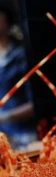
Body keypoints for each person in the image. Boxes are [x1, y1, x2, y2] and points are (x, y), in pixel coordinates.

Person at [0, 2, 36, 150]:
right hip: (3, 137)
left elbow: (36, 104)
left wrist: (5, 117)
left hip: (25, 136)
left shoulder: (23, 57)